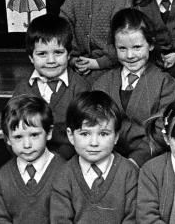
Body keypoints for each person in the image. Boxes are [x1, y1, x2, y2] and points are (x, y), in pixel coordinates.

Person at [92, 8, 175, 166]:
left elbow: (162, 134)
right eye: (122, 48)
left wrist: (135, 161)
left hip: (150, 163)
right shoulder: (101, 84)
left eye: (137, 47)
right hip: (106, 163)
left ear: (151, 45)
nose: (130, 56)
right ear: (114, 47)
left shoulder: (167, 85)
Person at [50, 91, 138, 224]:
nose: (94, 143)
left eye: (103, 134)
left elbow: (133, 218)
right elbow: (60, 220)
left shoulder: (129, 172)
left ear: (116, 136)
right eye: (85, 134)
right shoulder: (64, 175)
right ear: (70, 136)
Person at [13, 14, 90, 159]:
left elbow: (85, 134)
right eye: (42, 54)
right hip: (29, 158)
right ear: (31, 57)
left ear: (68, 55)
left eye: (58, 53)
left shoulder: (79, 87)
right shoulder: (22, 89)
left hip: (69, 160)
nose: (51, 60)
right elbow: (11, 129)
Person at [0, 96, 66, 224]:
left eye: (34, 135)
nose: (27, 145)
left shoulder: (64, 171)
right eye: (18, 137)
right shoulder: (4, 176)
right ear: (7, 138)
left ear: (49, 133)